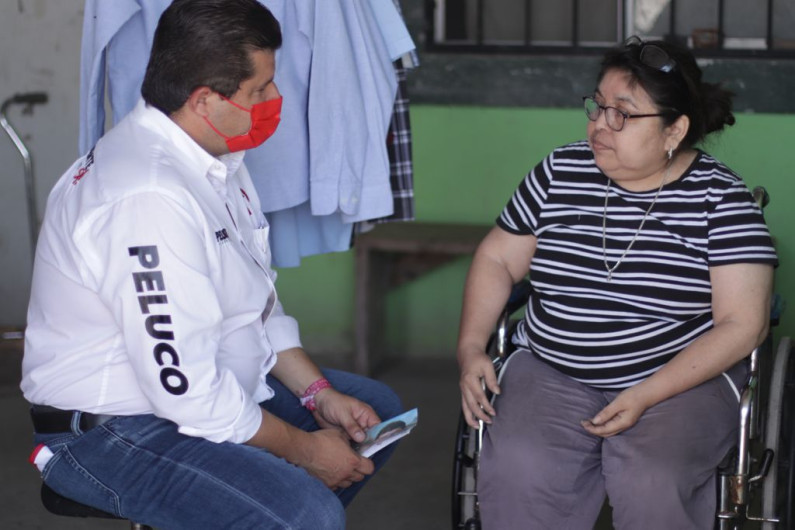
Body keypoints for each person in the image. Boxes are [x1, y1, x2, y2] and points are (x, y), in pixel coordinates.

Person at [21, 1, 402, 528]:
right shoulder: (147, 197)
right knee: (306, 512)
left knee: (371, 409)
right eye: (260, 90)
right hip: (114, 429)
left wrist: (319, 394)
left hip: (201, 390)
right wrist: (306, 451)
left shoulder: (214, 159)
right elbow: (187, 390)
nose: (276, 100)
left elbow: (254, 305)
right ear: (204, 100)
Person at [456, 36, 777, 530]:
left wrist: (647, 393)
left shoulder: (720, 199)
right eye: (598, 107)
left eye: (622, 114)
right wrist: (472, 348)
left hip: (678, 382)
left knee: (651, 476)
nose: (599, 125)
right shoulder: (560, 171)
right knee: (522, 465)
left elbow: (743, 325)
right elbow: (497, 258)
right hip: (554, 369)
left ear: (675, 129)